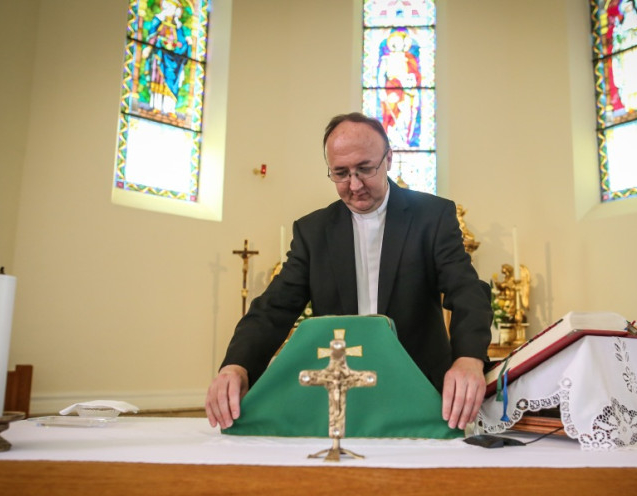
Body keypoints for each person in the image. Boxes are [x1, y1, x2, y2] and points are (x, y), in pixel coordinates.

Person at [206, 112, 492, 432]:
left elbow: (467, 290)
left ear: (388, 160)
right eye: (341, 173)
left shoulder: (431, 216)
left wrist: (468, 358)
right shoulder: (314, 232)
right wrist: (236, 366)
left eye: (365, 169)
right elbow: (273, 308)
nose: (354, 185)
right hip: (341, 392)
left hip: (420, 389)